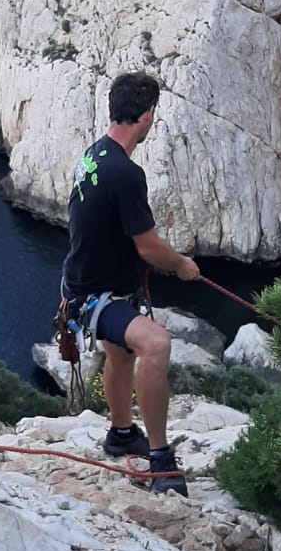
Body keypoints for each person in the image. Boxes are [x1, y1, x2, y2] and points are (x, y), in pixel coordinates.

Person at [60, 70, 200, 495]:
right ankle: (160, 460)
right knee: (156, 344)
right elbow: (149, 247)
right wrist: (181, 266)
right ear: (148, 115)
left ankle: (121, 434)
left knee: (120, 354)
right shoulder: (126, 173)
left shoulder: (94, 155)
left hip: (85, 286)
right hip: (95, 296)